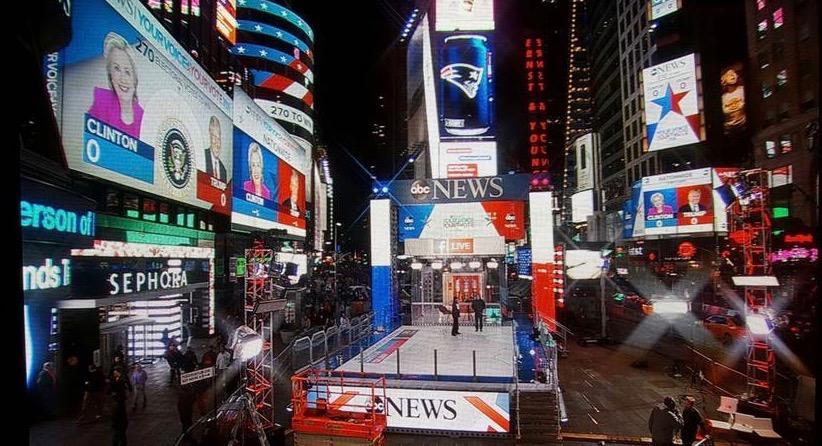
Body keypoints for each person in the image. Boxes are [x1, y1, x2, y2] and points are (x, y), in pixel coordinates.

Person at [88, 32, 143, 138]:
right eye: (116, 69)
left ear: (134, 78)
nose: (122, 78)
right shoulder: (101, 101)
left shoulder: (144, 117)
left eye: (127, 72)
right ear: (110, 74)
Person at [110, 367, 132, 446]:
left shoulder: (122, 379)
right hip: (120, 425)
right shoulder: (115, 379)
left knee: (118, 437)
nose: (114, 374)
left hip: (119, 425)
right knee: (121, 437)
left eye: (115, 372)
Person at [720, 67, 746, 131]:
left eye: (734, 73)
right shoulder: (723, 98)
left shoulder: (743, 90)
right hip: (728, 129)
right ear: (723, 79)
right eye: (729, 74)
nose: (732, 75)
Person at [203, 116, 227, 181]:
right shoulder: (203, 157)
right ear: (210, 137)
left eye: (219, 138)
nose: (217, 144)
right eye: (214, 137)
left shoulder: (223, 170)